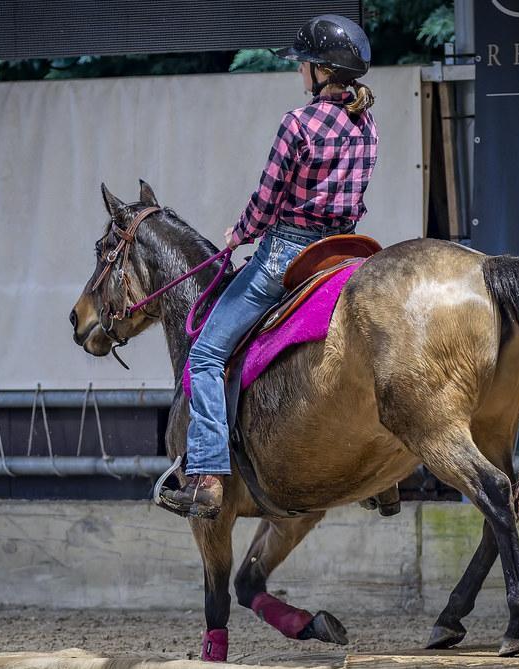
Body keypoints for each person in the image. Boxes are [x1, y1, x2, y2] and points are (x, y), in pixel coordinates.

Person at [161, 14, 379, 517]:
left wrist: (238, 234)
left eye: (304, 63)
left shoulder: (297, 123)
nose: (300, 71)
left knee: (206, 355)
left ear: (322, 70)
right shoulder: (368, 125)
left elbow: (267, 199)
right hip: (343, 253)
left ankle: (209, 476)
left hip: (287, 256)